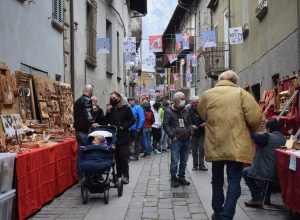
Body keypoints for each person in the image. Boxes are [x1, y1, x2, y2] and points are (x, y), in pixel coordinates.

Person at [198, 70, 262, 220]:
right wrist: (248, 131)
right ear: (234, 81)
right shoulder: (242, 94)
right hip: (236, 143)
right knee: (234, 180)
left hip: (216, 143)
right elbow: (255, 119)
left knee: (217, 179)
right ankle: (226, 216)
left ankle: (217, 212)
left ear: (220, 79)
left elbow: (202, 114)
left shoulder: (207, 94)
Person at [243, 119, 286, 207]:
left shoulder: (267, 137)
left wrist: (248, 127)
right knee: (269, 172)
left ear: (269, 128)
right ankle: (266, 197)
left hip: (266, 171)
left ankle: (257, 198)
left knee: (245, 172)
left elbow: (253, 135)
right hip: (277, 171)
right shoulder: (283, 138)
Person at [102, 91, 135, 184]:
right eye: (111, 97)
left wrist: (123, 126)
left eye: (114, 97)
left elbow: (132, 120)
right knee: (116, 157)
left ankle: (125, 176)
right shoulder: (111, 108)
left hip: (123, 136)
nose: (113, 99)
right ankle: (118, 175)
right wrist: (108, 112)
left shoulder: (126, 107)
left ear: (119, 98)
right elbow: (106, 120)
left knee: (123, 157)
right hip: (114, 136)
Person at [163, 92, 193, 187]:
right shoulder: (169, 111)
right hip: (177, 139)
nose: (184, 101)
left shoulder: (186, 110)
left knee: (184, 161)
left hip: (187, 139)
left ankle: (181, 178)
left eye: (184, 99)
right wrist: (172, 135)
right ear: (176, 101)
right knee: (175, 161)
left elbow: (190, 123)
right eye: (182, 99)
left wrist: (191, 133)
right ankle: (173, 178)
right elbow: (166, 125)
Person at [74, 84, 99, 182]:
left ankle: (81, 178)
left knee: (80, 155)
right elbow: (87, 112)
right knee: (89, 154)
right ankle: (88, 177)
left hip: (78, 132)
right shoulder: (87, 100)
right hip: (84, 132)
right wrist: (92, 123)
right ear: (90, 92)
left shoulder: (77, 101)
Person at [189, 96, 207, 171]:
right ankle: (195, 165)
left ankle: (201, 165)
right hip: (193, 133)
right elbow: (186, 120)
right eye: (194, 102)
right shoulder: (189, 110)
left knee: (202, 148)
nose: (196, 104)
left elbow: (207, 117)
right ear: (192, 103)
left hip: (201, 131)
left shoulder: (202, 109)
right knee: (194, 149)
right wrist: (191, 125)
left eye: (197, 102)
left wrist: (205, 123)